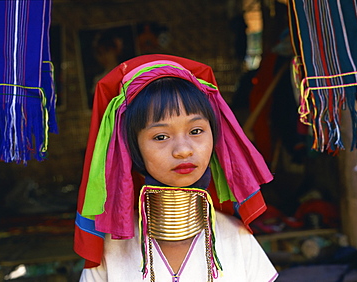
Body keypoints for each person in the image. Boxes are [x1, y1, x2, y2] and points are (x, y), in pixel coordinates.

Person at [74, 54, 278, 281]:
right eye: (161, 136)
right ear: (131, 148)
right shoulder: (109, 252)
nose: (183, 150)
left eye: (196, 131)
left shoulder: (238, 240)